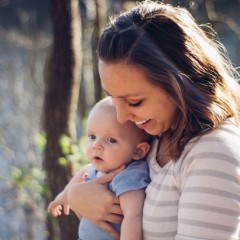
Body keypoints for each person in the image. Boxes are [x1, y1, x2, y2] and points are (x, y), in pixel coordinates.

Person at [66, 1, 240, 240]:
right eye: (112, 98)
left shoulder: (212, 153)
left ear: (180, 84)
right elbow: (104, 174)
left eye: (135, 102)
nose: (121, 117)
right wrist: (77, 196)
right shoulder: (156, 136)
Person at [48, 97, 151, 240]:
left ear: (138, 151)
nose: (96, 145)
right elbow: (83, 172)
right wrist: (63, 197)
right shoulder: (98, 168)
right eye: (92, 136)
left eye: (111, 140)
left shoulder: (129, 176)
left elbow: (133, 216)